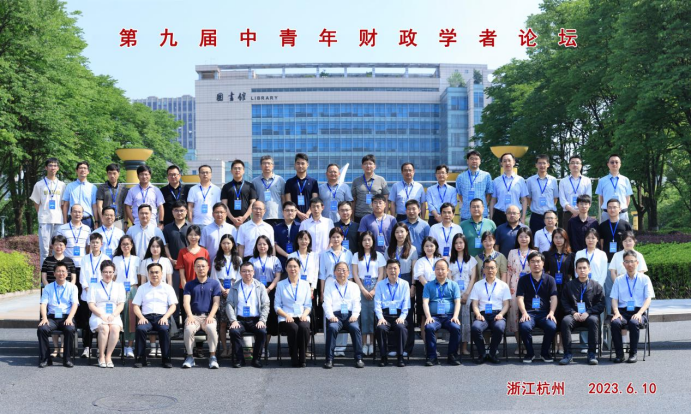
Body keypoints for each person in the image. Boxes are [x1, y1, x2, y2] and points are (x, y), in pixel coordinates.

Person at [559, 258, 605, 365]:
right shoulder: (569, 285)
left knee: (594, 321)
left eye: (584, 268)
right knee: (565, 321)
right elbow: (564, 302)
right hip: (573, 315)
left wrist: (588, 312)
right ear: (576, 270)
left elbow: (601, 304)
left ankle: (591, 354)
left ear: (589, 269)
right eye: (579, 268)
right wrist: (573, 312)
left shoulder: (596, 286)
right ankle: (567, 354)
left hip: (589, 315)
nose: (582, 270)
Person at [610, 250, 653, 363]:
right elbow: (614, 299)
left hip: (639, 311)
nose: (630, 264)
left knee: (634, 322)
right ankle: (619, 354)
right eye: (627, 262)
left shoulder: (645, 279)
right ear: (623, 264)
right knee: (615, 323)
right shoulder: (619, 280)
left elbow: (648, 299)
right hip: (623, 312)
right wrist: (616, 313)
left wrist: (639, 313)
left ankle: (633, 353)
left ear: (637, 263)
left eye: (632, 261)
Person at [132, 263, 178, 368]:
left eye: (157, 272)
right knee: (140, 329)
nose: (154, 275)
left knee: (164, 329)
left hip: (162, 317)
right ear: (148, 274)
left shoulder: (168, 288)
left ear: (162, 274)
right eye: (151, 272)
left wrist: (165, 317)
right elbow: (135, 306)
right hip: (146, 318)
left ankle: (166, 358)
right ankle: (140, 358)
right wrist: (141, 317)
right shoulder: (142, 288)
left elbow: (173, 306)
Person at [226, 261, 270, 368]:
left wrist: (262, 320)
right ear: (240, 273)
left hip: (256, 320)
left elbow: (266, 304)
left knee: (262, 331)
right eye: (244, 271)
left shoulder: (260, 286)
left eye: (249, 271)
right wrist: (233, 320)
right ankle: (240, 359)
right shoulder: (235, 287)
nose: (247, 274)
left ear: (254, 272)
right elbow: (229, 304)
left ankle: (256, 359)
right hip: (240, 320)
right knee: (234, 331)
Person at [516, 252, 558, 363]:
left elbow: (554, 297)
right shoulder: (523, 279)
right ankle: (530, 353)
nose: (536, 264)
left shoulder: (550, 279)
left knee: (551, 326)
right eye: (533, 261)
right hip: (529, 313)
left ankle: (545, 352)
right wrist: (524, 313)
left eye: (538, 261)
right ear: (529, 264)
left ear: (543, 263)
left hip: (545, 313)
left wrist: (552, 312)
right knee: (524, 326)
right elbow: (519, 298)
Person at [322, 262, 365, 369]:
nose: (341, 272)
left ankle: (359, 358)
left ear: (348, 272)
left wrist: (355, 315)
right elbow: (326, 303)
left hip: (350, 315)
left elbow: (357, 303)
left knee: (355, 328)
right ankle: (329, 359)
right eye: (339, 270)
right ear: (334, 272)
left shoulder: (354, 286)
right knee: (332, 328)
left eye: (344, 270)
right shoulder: (329, 286)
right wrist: (330, 316)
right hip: (335, 315)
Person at [182, 257, 222, 369]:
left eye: (203, 266)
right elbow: (186, 302)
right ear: (194, 268)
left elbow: (216, 302)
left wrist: (211, 316)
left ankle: (212, 357)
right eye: (198, 266)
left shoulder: (214, 284)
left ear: (208, 268)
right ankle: (190, 357)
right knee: (188, 329)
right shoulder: (189, 284)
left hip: (208, 316)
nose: (201, 268)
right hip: (193, 316)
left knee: (211, 329)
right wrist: (190, 316)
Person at [470, 257, 512, 364]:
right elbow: (474, 304)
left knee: (499, 327)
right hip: (482, 315)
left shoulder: (503, 285)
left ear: (496, 269)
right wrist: (477, 314)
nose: (490, 270)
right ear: (483, 270)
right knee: (475, 328)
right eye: (487, 268)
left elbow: (506, 304)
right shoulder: (477, 285)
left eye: (492, 268)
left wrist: (501, 314)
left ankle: (492, 353)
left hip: (497, 314)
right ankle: (482, 353)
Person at [37, 262, 79, 368]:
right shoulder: (48, 287)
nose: (61, 273)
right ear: (54, 273)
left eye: (63, 271)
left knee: (70, 329)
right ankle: (46, 359)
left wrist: (70, 318)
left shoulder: (72, 287)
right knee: (42, 329)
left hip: (66, 317)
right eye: (58, 271)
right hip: (52, 318)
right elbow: (43, 304)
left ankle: (67, 359)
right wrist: (44, 318)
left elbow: (75, 304)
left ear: (67, 273)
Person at [385, 222, 418, 356]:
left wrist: (413, 285)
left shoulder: (412, 249)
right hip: (392, 282)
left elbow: (414, 270)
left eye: (402, 232)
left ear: (407, 233)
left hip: (406, 280)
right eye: (397, 232)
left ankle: (407, 348)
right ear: (394, 234)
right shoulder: (389, 249)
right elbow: (386, 268)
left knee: (407, 315)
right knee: (392, 314)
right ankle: (393, 347)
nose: (399, 234)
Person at [352, 231, 386, 356]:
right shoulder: (356, 255)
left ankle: (371, 343)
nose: (367, 242)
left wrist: (375, 289)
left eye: (369, 240)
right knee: (363, 315)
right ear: (361, 242)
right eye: (364, 240)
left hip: (375, 285)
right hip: (361, 285)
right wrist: (362, 288)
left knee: (372, 314)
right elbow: (355, 273)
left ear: (373, 241)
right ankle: (363, 343)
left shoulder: (379, 255)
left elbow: (381, 274)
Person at [574, 228, 608, 352]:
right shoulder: (579, 253)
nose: (590, 240)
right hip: (582, 288)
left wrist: (597, 287)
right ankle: (584, 344)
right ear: (585, 239)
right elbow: (576, 271)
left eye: (593, 238)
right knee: (583, 313)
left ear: (597, 240)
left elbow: (604, 273)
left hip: (598, 288)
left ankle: (597, 343)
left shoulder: (602, 254)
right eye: (588, 237)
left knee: (598, 316)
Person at [422, 260, 462, 366]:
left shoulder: (454, 285)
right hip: (434, 317)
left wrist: (455, 316)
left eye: (443, 269)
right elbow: (425, 302)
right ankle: (432, 356)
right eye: (438, 269)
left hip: (449, 316)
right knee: (429, 327)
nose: (440, 271)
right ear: (434, 270)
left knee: (456, 327)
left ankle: (452, 355)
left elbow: (457, 302)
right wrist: (428, 317)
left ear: (448, 270)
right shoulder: (428, 285)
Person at [275, 257, 313, 367]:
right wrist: (286, 315)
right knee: (293, 328)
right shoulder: (280, 285)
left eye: (295, 266)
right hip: (286, 317)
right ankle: (294, 356)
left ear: (299, 268)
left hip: (301, 315)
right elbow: (277, 306)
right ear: (286, 268)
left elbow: (308, 305)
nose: (292, 269)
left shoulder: (305, 284)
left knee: (304, 327)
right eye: (290, 266)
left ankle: (302, 358)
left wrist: (304, 315)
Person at [88, 260, 126, 368]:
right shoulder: (94, 286)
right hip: (98, 315)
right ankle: (101, 356)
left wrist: (113, 315)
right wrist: (102, 315)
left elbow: (121, 305)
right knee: (104, 328)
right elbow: (91, 305)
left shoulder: (119, 286)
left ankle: (108, 356)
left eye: (110, 272)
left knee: (114, 328)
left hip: (114, 314)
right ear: (101, 273)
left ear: (114, 273)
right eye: (105, 272)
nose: (108, 274)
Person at [249, 235, 283, 354]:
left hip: (271, 289)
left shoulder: (274, 259)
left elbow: (278, 276)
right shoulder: (252, 260)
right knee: (256, 316)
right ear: (256, 246)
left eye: (264, 244)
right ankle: (258, 346)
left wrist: (269, 288)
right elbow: (249, 276)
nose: (262, 246)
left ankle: (265, 347)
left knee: (269, 317)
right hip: (255, 289)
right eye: (259, 244)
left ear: (269, 246)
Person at [209, 234, 242, 358]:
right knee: (222, 322)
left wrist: (231, 289)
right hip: (220, 289)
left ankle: (233, 348)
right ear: (220, 245)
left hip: (234, 288)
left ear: (233, 244)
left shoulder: (237, 259)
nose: (226, 245)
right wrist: (222, 289)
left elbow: (240, 276)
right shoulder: (217, 259)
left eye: (228, 243)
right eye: (224, 243)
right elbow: (214, 277)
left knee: (233, 321)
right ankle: (224, 348)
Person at [374, 259, 410, 367]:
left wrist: (402, 317)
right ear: (386, 270)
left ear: (399, 270)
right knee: (381, 328)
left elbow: (406, 304)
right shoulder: (380, 284)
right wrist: (380, 318)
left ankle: (400, 356)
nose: (392, 270)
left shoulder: (405, 284)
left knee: (401, 327)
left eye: (395, 268)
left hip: (399, 315)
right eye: (390, 268)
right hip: (385, 315)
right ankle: (383, 357)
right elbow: (377, 303)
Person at [505, 227, 536, 352]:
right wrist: (507, 288)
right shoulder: (512, 252)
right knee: (514, 316)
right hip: (514, 286)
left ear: (530, 238)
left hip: (530, 286)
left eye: (526, 236)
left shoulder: (534, 252)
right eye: (521, 236)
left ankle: (528, 344)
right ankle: (519, 345)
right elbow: (509, 271)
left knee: (528, 314)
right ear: (517, 238)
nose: (524, 239)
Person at [544, 228, 574, 353]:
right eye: (555, 237)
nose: (558, 240)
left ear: (565, 239)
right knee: (553, 315)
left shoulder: (571, 255)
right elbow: (545, 271)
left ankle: (561, 343)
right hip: (551, 288)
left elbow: (572, 273)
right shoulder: (547, 254)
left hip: (565, 289)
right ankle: (554, 344)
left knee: (563, 316)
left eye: (561, 237)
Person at [32, 157, 66, 265]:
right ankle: (44, 274)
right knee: (45, 250)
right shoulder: (39, 184)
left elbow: (63, 204)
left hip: (58, 220)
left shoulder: (62, 185)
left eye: (55, 166)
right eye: (50, 165)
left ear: (58, 168)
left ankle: (58, 271)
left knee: (58, 249)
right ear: (46, 167)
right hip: (45, 221)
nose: (53, 168)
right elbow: (36, 202)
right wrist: (42, 213)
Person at [77, 233, 106, 358]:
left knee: (100, 321)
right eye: (93, 242)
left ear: (101, 244)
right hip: (86, 295)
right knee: (86, 323)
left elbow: (106, 276)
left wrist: (96, 291)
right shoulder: (84, 259)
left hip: (100, 296)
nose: (95, 244)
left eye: (97, 242)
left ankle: (100, 348)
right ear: (90, 244)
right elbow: (82, 277)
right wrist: (87, 288)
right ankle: (87, 347)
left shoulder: (105, 258)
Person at [449, 234, 478, 355]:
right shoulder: (449, 260)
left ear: (465, 244)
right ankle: (454, 347)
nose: (458, 245)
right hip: (453, 293)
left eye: (461, 242)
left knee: (466, 321)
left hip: (468, 293)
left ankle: (464, 347)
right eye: (456, 243)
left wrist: (466, 294)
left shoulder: (472, 260)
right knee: (455, 320)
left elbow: (473, 278)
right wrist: (456, 295)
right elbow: (449, 278)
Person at [163, 200, 190, 324]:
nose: (179, 213)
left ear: (186, 211)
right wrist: (170, 259)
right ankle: (174, 325)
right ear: (172, 212)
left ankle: (187, 323)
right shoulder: (167, 228)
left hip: (188, 267)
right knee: (174, 295)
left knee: (187, 294)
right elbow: (166, 246)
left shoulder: (190, 227)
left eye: (182, 210)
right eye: (176, 210)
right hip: (173, 266)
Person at [112, 235, 140, 358]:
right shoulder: (116, 259)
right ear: (120, 246)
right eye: (123, 244)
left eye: (128, 244)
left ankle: (130, 346)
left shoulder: (137, 259)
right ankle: (122, 345)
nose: (125, 246)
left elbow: (139, 277)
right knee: (119, 317)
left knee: (131, 318)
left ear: (132, 245)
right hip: (119, 289)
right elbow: (113, 276)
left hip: (133, 289)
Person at [413, 237, 442, 351]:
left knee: (436, 317)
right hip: (424, 289)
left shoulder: (440, 260)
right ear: (423, 248)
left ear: (436, 247)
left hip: (439, 289)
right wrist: (430, 288)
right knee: (424, 318)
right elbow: (420, 276)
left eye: (431, 246)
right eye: (426, 246)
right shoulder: (420, 261)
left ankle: (434, 346)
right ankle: (427, 346)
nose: (429, 248)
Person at [287, 231, 319, 328]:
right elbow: (290, 272)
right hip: (296, 285)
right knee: (297, 306)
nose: (303, 241)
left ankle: (309, 330)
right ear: (297, 241)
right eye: (301, 239)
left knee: (310, 308)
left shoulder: (314, 255)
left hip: (310, 286)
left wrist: (312, 287)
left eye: (306, 239)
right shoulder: (292, 255)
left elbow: (316, 272)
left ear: (309, 241)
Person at [489, 153, 528, 227]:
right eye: (504, 161)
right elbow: (493, 200)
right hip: (499, 215)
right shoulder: (496, 181)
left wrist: (523, 217)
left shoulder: (520, 180)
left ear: (514, 162)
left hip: (515, 215)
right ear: (501, 163)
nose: (507, 163)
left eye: (509, 160)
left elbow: (524, 200)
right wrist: (491, 217)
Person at [525, 154, 559, 235]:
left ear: (548, 165)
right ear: (536, 165)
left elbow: (555, 198)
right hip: (536, 216)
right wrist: (535, 207)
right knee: (535, 238)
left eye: (544, 163)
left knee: (552, 238)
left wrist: (549, 209)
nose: (542, 165)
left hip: (550, 216)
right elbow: (528, 198)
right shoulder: (530, 180)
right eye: (539, 163)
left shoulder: (553, 180)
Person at [456, 150, 494, 222]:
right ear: (467, 161)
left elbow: (489, 193)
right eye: (472, 159)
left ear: (480, 161)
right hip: (466, 213)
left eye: (476, 159)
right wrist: (467, 204)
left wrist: (483, 205)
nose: (474, 161)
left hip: (482, 214)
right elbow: (460, 194)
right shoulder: (460, 177)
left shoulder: (486, 175)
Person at [352, 154, 389, 222]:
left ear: (374, 166)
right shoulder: (356, 181)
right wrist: (352, 218)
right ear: (362, 166)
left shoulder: (381, 180)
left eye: (370, 164)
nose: (368, 166)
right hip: (359, 215)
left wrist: (385, 216)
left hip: (377, 215)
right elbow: (353, 201)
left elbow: (385, 200)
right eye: (365, 164)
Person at [595, 154, 633, 223]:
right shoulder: (602, 181)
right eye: (612, 162)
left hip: (622, 214)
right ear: (608, 164)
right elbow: (601, 198)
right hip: (607, 214)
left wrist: (621, 209)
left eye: (616, 162)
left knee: (623, 230)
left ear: (620, 164)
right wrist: (607, 209)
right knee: (605, 230)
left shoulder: (626, 180)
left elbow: (627, 198)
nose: (614, 164)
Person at [62, 161, 98, 229]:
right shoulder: (70, 186)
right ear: (76, 171)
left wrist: (96, 221)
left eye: (85, 168)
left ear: (88, 171)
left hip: (87, 220)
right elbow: (66, 205)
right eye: (81, 168)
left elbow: (94, 206)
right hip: (72, 219)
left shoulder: (93, 187)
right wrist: (65, 221)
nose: (83, 170)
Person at [251, 155, 286, 227]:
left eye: (269, 163)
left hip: (278, 216)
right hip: (261, 217)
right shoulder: (255, 182)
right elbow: (254, 201)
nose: (266, 165)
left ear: (273, 166)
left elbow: (283, 199)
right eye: (264, 163)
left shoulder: (280, 180)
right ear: (261, 166)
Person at [221, 159, 257, 228]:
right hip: (230, 223)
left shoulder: (250, 186)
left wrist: (243, 218)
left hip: (246, 222)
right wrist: (233, 219)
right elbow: (224, 204)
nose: (237, 170)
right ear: (231, 171)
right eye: (235, 168)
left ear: (243, 171)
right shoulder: (226, 187)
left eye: (239, 168)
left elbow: (253, 203)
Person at [284, 153, 319, 222]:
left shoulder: (313, 182)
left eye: (303, 163)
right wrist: (299, 213)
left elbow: (315, 200)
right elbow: (288, 201)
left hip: (309, 217)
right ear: (295, 165)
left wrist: (308, 213)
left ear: (307, 165)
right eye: (298, 163)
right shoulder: (289, 182)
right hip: (294, 217)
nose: (300, 166)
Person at [558, 155, 592, 228]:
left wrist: (579, 211)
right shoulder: (563, 181)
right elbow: (562, 200)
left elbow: (588, 198)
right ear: (569, 166)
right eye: (572, 163)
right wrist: (573, 211)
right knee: (567, 234)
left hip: (583, 212)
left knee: (584, 233)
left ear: (581, 166)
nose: (575, 165)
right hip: (568, 213)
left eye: (577, 163)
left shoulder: (587, 181)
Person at [187, 165, 222, 230]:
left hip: (212, 223)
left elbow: (219, 207)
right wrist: (190, 222)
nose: (205, 174)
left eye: (207, 172)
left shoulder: (217, 189)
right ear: (199, 175)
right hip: (196, 223)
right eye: (202, 172)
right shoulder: (193, 189)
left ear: (211, 174)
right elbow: (190, 206)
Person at [177, 225, 211, 292]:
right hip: (186, 288)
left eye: (195, 235)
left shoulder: (205, 252)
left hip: (201, 288)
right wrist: (186, 289)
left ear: (199, 236)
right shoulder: (182, 252)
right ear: (187, 236)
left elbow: (207, 272)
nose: (193, 237)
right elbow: (182, 274)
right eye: (190, 235)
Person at [95, 164, 127, 231]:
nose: (112, 176)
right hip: (105, 220)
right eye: (110, 173)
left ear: (118, 174)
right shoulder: (102, 188)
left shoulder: (123, 189)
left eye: (114, 173)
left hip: (118, 220)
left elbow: (125, 206)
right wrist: (102, 219)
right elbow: (99, 206)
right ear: (107, 174)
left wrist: (125, 222)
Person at [273, 201, 300, 271]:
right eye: (287, 210)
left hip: (298, 259)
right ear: (283, 212)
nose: (290, 212)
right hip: (281, 260)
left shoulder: (300, 226)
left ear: (296, 212)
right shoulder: (277, 227)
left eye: (292, 210)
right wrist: (287, 255)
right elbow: (275, 244)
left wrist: (294, 256)